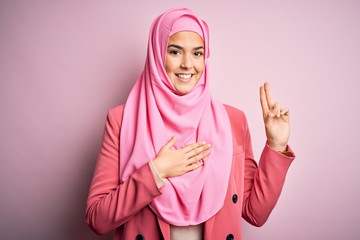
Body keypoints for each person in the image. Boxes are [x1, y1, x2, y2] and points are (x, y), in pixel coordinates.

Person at [86, 7, 295, 240]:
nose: (188, 64)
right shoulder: (122, 120)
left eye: (197, 53)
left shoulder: (233, 121)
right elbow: (97, 218)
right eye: (175, 52)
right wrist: (155, 172)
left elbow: (255, 214)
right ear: (156, 54)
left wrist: (276, 146)